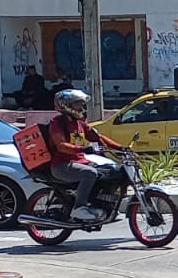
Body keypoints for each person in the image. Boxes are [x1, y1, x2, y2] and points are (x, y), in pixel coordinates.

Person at [46, 89, 126, 222]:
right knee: (89, 173)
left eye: (82, 103)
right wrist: (82, 149)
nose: (82, 107)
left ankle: (105, 206)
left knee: (111, 171)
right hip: (61, 166)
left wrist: (121, 148)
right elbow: (61, 145)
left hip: (79, 162)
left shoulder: (80, 123)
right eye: (78, 103)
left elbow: (99, 138)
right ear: (66, 105)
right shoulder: (57, 123)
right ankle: (79, 208)